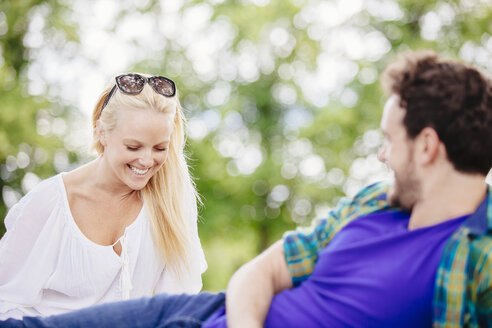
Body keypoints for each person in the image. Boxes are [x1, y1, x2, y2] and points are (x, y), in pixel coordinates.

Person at [2, 50, 491, 328]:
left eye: (389, 141)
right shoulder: (372, 204)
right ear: (102, 134)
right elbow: (262, 271)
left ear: (427, 146)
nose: (381, 156)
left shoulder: (477, 262)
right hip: (201, 316)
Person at [0, 74, 207, 320]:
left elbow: (180, 302)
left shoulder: (171, 197)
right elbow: (6, 303)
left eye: (160, 148)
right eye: (133, 147)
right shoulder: (48, 204)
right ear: (102, 133)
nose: (147, 161)